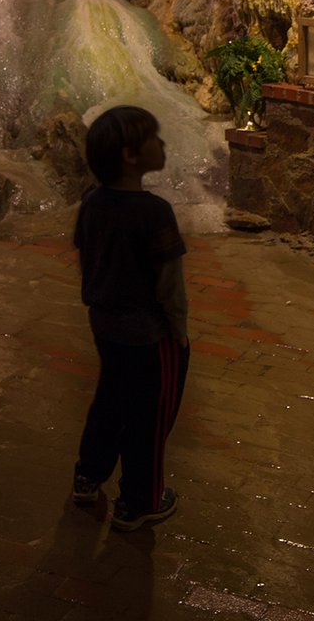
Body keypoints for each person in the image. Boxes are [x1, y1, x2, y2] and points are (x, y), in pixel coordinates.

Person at [71, 105, 189, 532]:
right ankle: (140, 501)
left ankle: (88, 476)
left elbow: (86, 260)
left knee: (110, 400)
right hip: (148, 334)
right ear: (130, 155)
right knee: (150, 415)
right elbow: (169, 283)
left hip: (105, 325)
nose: (163, 144)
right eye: (154, 138)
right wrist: (178, 331)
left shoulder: (91, 204)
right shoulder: (154, 212)